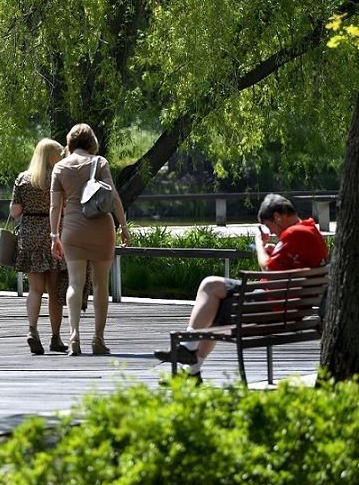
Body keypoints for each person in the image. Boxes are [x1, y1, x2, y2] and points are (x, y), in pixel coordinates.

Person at [153, 194, 327, 379]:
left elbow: (266, 267)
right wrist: (274, 251)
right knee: (213, 305)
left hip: (271, 308)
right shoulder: (310, 231)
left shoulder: (295, 232)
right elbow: (288, 265)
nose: (274, 232)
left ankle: (188, 350)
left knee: (210, 286)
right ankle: (192, 369)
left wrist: (260, 244)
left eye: (270, 226)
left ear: (278, 216)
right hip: (289, 309)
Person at [49, 124, 130, 356]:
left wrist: (54, 235)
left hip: (72, 228)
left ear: (70, 142)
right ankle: (98, 339)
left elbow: (55, 206)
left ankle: (74, 334)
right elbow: (113, 195)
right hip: (101, 228)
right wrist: (123, 226)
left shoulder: (59, 167)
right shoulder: (100, 162)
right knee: (100, 284)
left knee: (75, 282)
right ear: (91, 141)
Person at [12, 138, 68, 354]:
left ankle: (32, 330)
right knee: (54, 291)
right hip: (54, 236)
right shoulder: (58, 178)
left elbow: (15, 211)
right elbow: (63, 210)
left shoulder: (23, 179)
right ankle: (56, 337)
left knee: (35, 289)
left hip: (30, 236)